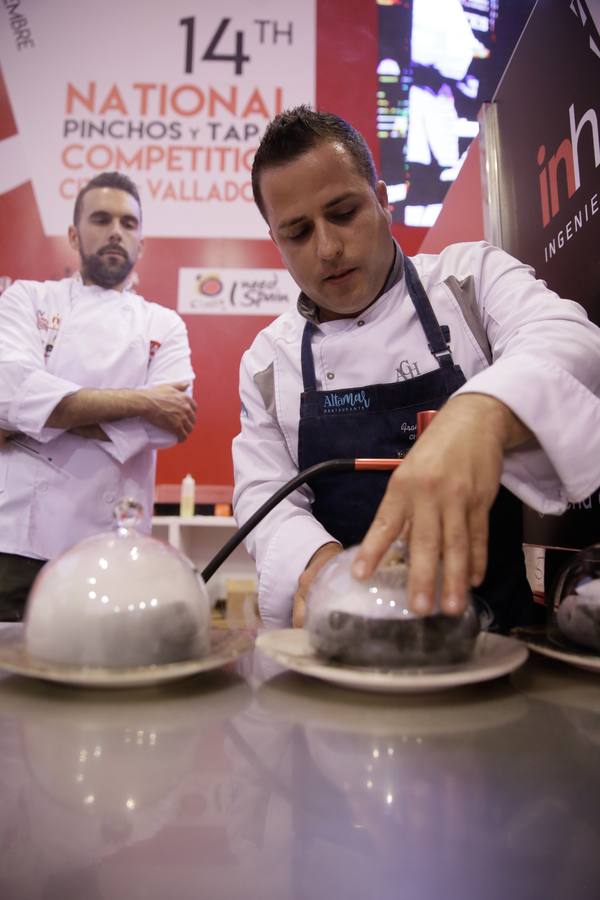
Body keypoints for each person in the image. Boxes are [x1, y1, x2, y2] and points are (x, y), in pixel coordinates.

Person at [231, 106, 600, 633]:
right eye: (298, 232)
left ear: (381, 200)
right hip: (350, 637)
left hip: (492, 636)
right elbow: (263, 492)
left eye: (343, 212)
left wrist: (480, 417)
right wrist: (315, 566)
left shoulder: (469, 280)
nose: (329, 248)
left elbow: (571, 340)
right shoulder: (269, 360)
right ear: (277, 242)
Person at [0, 171, 196, 620]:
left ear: (141, 242)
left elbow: (169, 425)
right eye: (101, 218)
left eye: (128, 223)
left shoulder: (163, 325)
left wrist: (34, 419)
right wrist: (145, 400)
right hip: (17, 542)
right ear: (74, 234)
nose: (115, 231)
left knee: (101, 680)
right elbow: (7, 391)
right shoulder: (26, 300)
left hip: (111, 547)